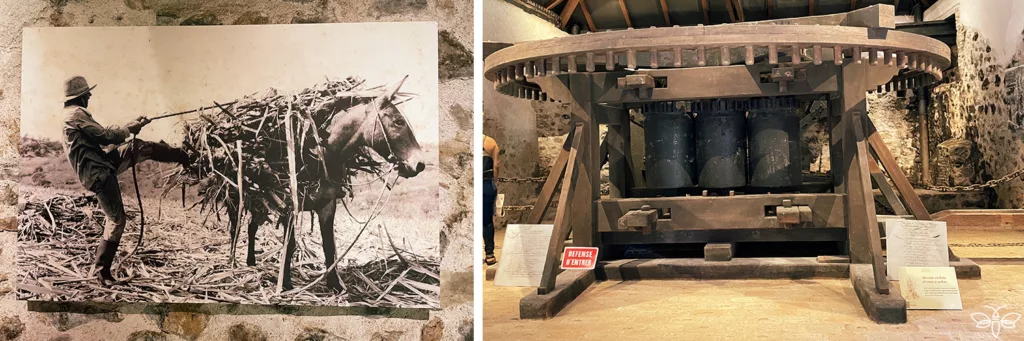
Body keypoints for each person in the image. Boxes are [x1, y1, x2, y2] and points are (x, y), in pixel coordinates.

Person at [61, 76, 190, 286]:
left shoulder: (73, 114)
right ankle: (102, 273)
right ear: (82, 96)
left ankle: (181, 155)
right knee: (116, 220)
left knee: (136, 146)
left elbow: (105, 136)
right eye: (88, 93)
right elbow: (104, 136)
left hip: (101, 165)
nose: (90, 95)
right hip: (99, 173)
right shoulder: (76, 114)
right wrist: (129, 128)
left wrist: (131, 126)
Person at [482, 134, 500, 266]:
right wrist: (495, 181)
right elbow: (496, 165)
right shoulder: (489, 142)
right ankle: (489, 254)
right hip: (485, 184)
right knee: (486, 220)